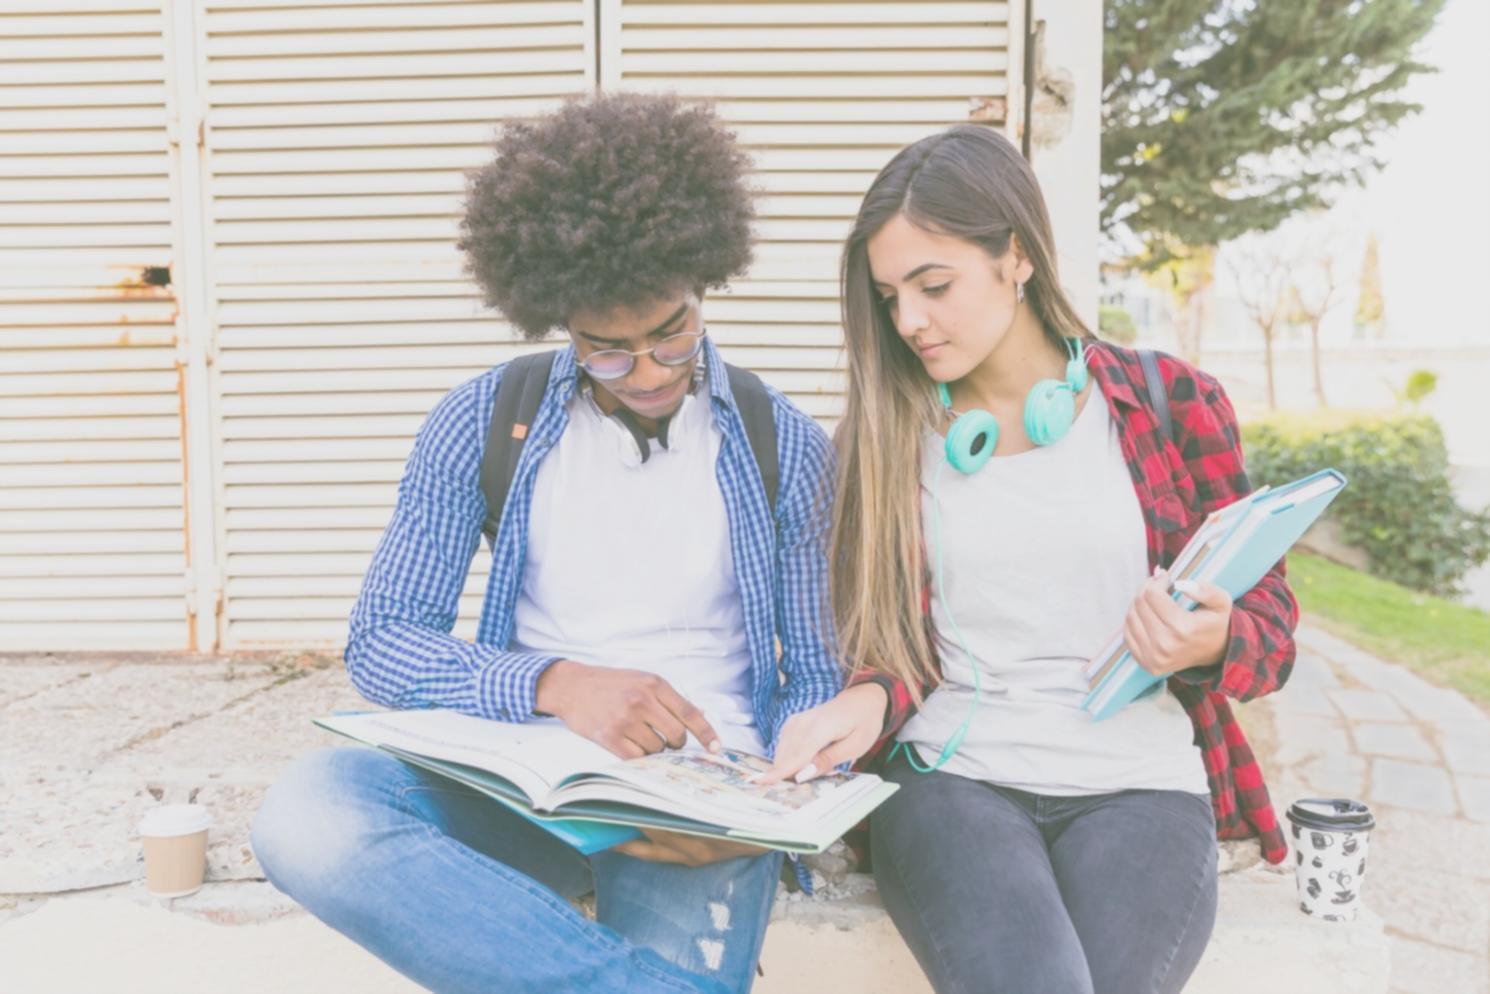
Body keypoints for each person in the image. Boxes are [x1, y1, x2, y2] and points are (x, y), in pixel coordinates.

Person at [251, 92, 840, 994]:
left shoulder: (782, 443)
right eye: (606, 349)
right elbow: (382, 640)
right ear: (556, 316)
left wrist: (765, 802)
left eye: (670, 334)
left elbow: (817, 670)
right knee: (309, 811)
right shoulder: (484, 420)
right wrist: (554, 684)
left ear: (704, 286)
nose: (645, 372)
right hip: (530, 787)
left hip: (701, 809)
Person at [757, 125, 1298, 994]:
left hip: (1143, 784)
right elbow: (893, 651)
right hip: (953, 784)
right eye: (890, 295)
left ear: (1016, 256)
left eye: (935, 285)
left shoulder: (1174, 403)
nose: (910, 321)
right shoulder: (886, 440)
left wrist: (1211, 641)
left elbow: (1271, 632)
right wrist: (865, 695)